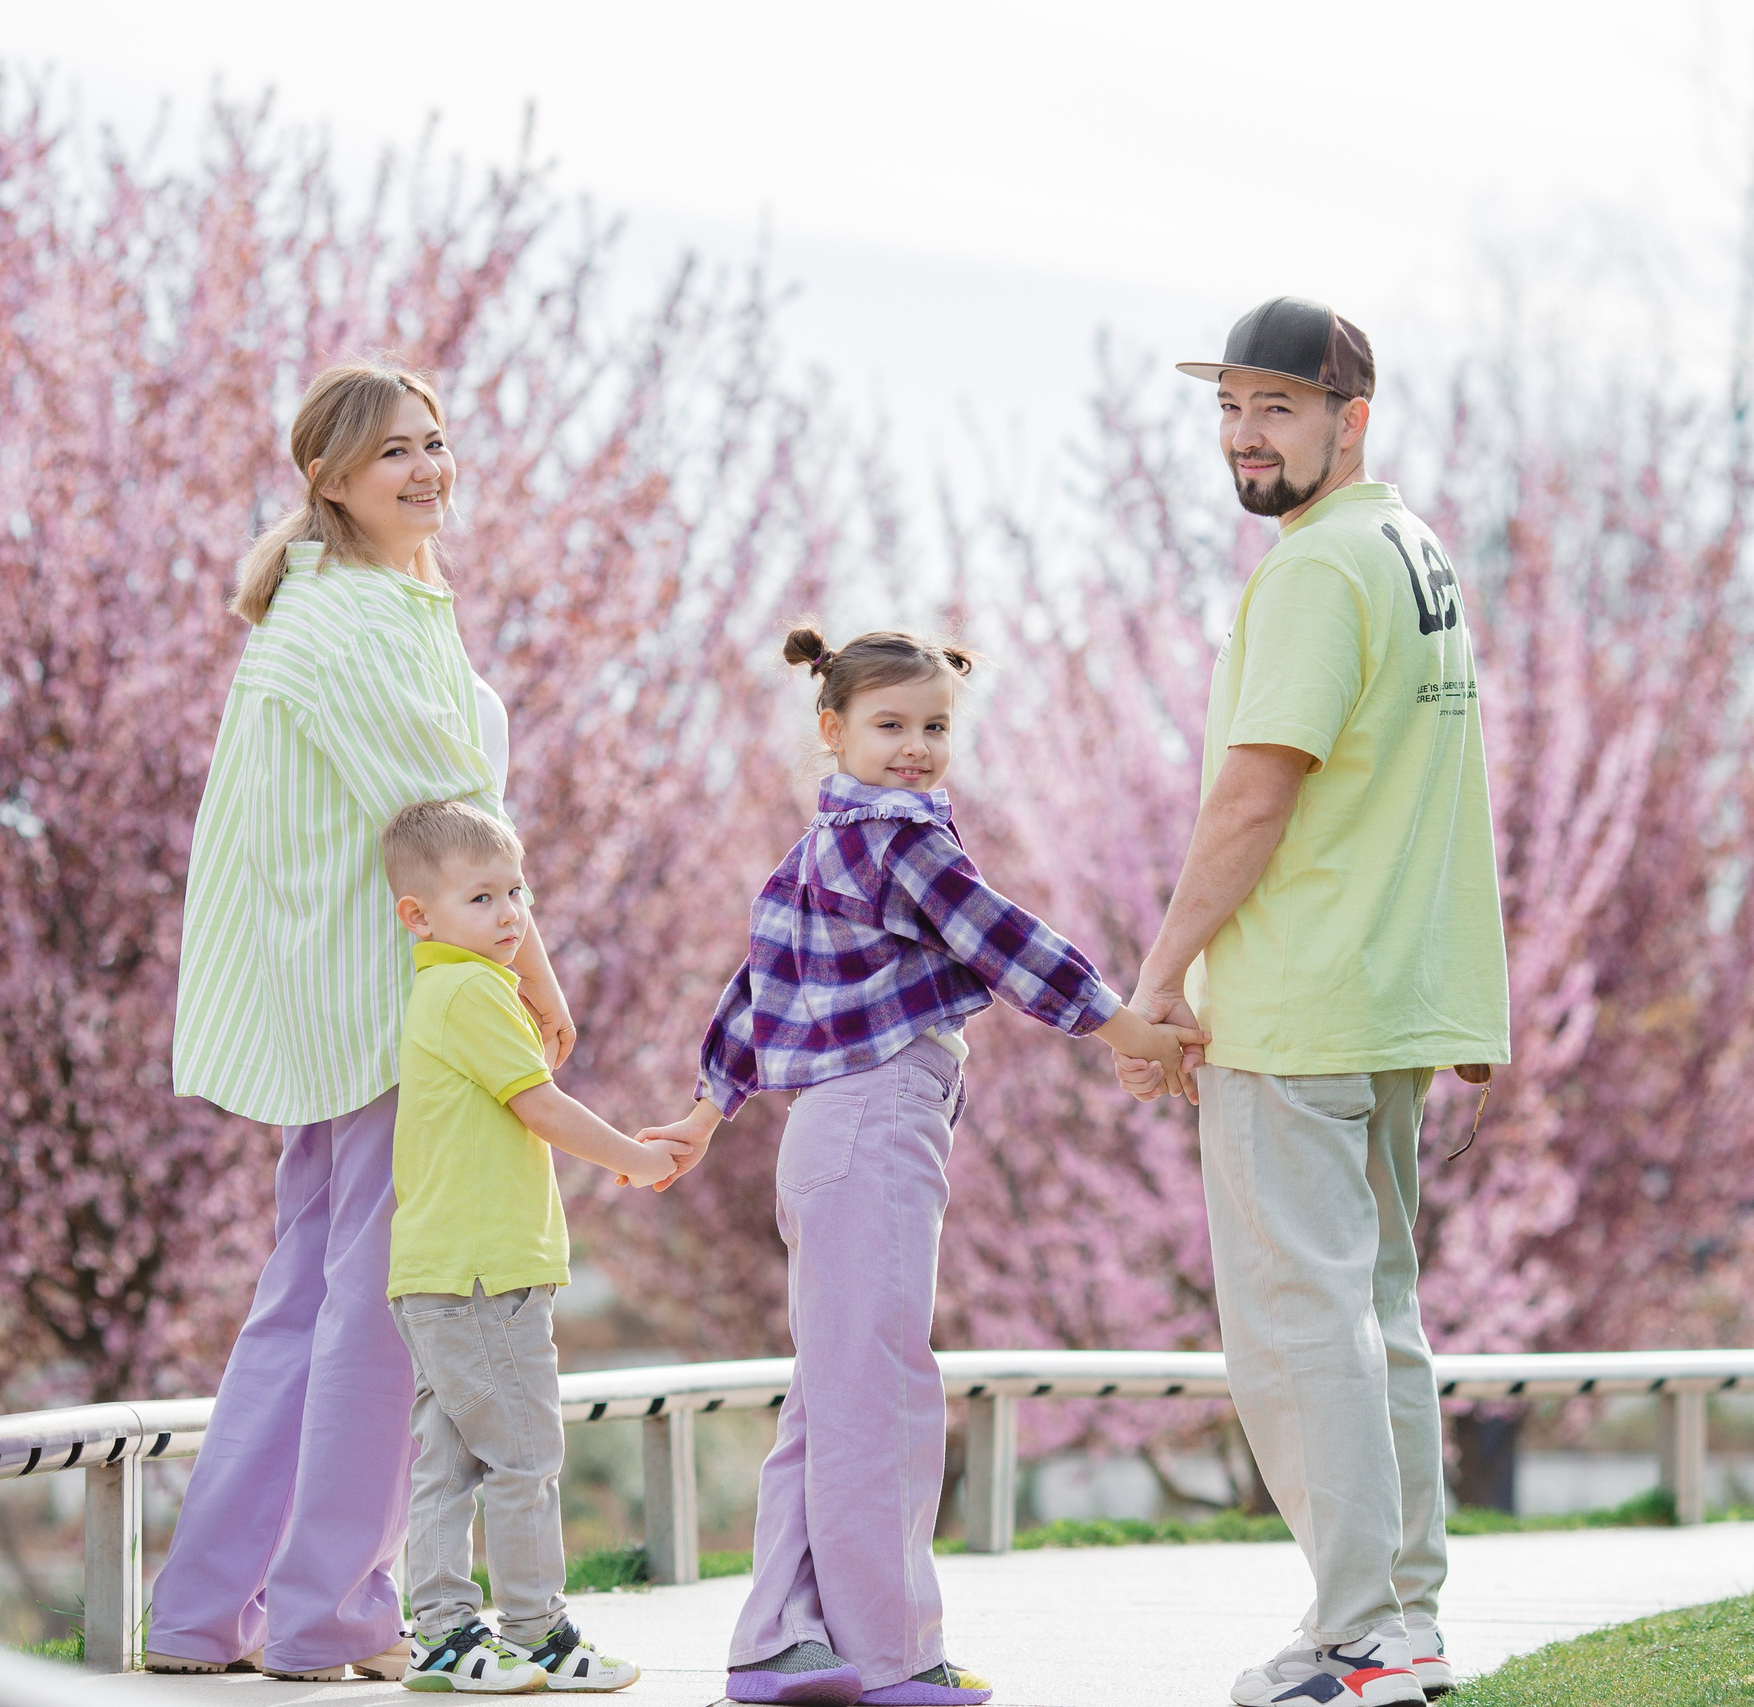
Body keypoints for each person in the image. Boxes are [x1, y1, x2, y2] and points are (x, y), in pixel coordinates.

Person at [635, 627, 1201, 1707]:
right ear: (831, 730)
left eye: (934, 728)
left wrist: (710, 1112)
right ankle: (894, 1652)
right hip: (877, 1115)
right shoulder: (901, 846)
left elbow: (752, 995)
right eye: (889, 727)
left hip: (826, 1137)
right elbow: (1002, 937)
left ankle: (777, 1640)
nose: (914, 750)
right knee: (882, 1390)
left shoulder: (810, 859)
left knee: (834, 1388)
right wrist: (1124, 1025)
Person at [146, 360, 576, 1682]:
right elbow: (455, 840)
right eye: (396, 451)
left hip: (344, 1011)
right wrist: (537, 985)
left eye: (437, 442)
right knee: (383, 1312)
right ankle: (330, 1612)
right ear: (329, 477)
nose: (429, 467)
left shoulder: (346, 600)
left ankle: (201, 1612)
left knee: (304, 1307)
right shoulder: (355, 625)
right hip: (401, 1018)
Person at [1115, 298, 1511, 1705]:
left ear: (1352, 419)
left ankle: (1366, 1631)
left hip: (1296, 1010)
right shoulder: (1418, 558)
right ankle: (1396, 1616)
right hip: (1387, 1002)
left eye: (1275, 409)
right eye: (1230, 407)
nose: (1244, 435)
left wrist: (1160, 980)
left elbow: (1254, 793)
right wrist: (1464, 998)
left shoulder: (1316, 571)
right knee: (1374, 1318)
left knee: (1299, 1331)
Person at [379, 799, 679, 1693]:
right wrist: (635, 1157)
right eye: (483, 897)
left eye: (517, 891)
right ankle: (536, 1631)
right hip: (486, 1274)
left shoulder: (439, 989)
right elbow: (539, 1104)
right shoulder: (473, 991)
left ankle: (439, 1634)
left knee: (450, 1460)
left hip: (434, 1274)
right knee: (524, 1457)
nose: (511, 913)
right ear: (418, 915)